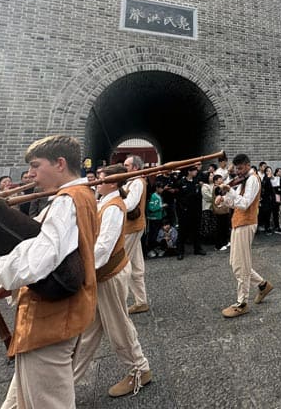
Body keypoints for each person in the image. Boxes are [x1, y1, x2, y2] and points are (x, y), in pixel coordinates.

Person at [0, 135, 99, 409]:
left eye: (35, 165)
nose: (30, 174)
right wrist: (6, 283)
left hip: (52, 319)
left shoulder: (68, 200)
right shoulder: (79, 196)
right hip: (58, 312)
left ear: (59, 163)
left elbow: (42, 257)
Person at [73, 163, 152, 398]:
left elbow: (103, 248)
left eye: (102, 178)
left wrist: (78, 271)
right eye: (97, 177)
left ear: (114, 183)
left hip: (109, 274)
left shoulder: (114, 207)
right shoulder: (103, 202)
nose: (97, 181)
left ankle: (140, 369)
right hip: (101, 274)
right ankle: (68, 380)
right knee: (89, 331)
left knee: (118, 325)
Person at [216, 153, 274, 318]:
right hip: (238, 222)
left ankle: (242, 303)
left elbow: (245, 203)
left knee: (240, 265)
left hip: (246, 223)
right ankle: (263, 285)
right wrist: (224, 199)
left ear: (248, 165)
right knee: (236, 262)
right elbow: (235, 203)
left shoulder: (253, 179)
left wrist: (229, 192)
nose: (238, 172)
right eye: (236, 169)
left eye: (241, 168)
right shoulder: (244, 179)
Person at [122, 155, 150, 314]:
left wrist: (112, 202)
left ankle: (119, 301)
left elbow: (131, 204)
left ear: (135, 168)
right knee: (136, 266)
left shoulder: (137, 182)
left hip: (132, 227)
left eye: (126, 165)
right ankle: (141, 301)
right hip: (131, 227)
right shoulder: (132, 182)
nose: (124, 167)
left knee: (122, 263)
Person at [176, 164, 206, 258]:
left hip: (196, 211)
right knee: (182, 232)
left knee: (196, 230)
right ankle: (180, 251)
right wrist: (182, 210)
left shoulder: (196, 182)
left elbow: (199, 197)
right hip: (185, 211)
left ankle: (197, 249)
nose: (196, 172)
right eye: (194, 170)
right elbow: (178, 198)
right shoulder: (181, 182)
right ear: (189, 171)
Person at [145, 181, 165, 258]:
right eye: (161, 188)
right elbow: (151, 208)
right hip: (153, 218)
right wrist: (161, 207)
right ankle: (150, 249)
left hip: (159, 217)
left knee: (157, 234)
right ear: (157, 188)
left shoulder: (159, 196)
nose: (162, 190)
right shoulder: (153, 196)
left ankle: (155, 248)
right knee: (152, 234)